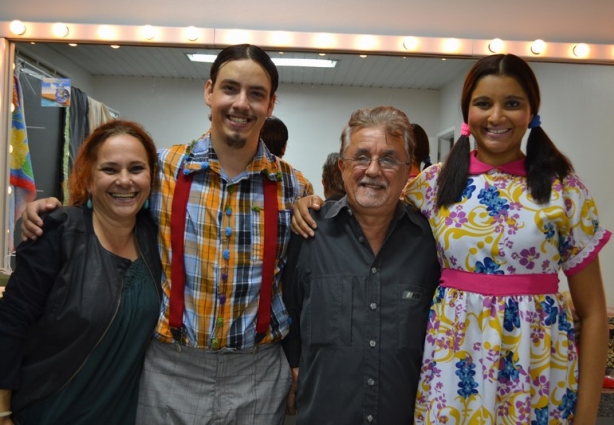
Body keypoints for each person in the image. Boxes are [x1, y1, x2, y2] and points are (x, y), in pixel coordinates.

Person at [292, 54, 611, 424]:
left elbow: (592, 314)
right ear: (467, 112)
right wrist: (311, 201)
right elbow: (371, 198)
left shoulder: (564, 190)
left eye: (512, 103)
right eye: (483, 103)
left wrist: (587, 415)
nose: (496, 117)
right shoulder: (434, 185)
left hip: (536, 367)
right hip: (454, 369)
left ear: (531, 112)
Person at [20, 44, 313, 425]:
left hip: (257, 375)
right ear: (209, 91)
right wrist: (49, 210)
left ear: (270, 104)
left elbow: (302, 282)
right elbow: (101, 211)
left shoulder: (294, 188)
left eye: (256, 94)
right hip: (170, 370)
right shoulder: (159, 170)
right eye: (230, 89)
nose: (241, 103)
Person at [282, 106, 440, 424]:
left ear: (409, 168)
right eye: (361, 157)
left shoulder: (430, 242)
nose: (373, 170)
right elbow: (289, 313)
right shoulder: (308, 232)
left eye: (389, 159)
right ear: (342, 166)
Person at [0, 119, 162, 425]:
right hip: (45, 413)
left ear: (151, 179)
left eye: (136, 169)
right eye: (110, 169)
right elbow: (10, 323)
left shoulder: (157, 241)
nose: (125, 180)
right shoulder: (57, 233)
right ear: (88, 179)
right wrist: (2, 411)